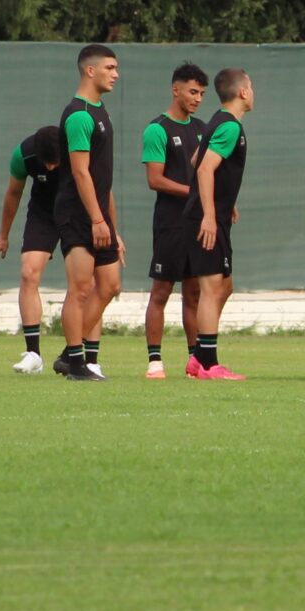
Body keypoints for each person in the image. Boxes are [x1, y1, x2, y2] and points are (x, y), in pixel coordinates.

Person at [52, 44, 124, 380]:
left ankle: (70, 350)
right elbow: (80, 173)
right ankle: (77, 363)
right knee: (80, 288)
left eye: (116, 68)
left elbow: (101, 177)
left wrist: (111, 225)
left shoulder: (101, 111)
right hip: (77, 213)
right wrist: (95, 218)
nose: (115, 74)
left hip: (98, 214)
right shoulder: (79, 114)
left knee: (109, 285)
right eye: (109, 67)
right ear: (89, 71)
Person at [138, 63, 208, 379]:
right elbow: (155, 179)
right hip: (170, 223)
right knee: (162, 291)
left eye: (202, 94)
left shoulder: (202, 129)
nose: (197, 99)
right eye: (193, 91)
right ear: (175, 89)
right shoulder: (158, 130)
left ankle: (195, 362)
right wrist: (195, 193)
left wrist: (217, 204)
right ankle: (155, 360)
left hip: (197, 223)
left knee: (194, 292)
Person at [187, 67, 254, 380]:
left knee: (223, 285)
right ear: (242, 92)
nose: (253, 92)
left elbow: (196, 159)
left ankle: (199, 357)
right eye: (251, 86)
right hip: (206, 220)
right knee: (212, 288)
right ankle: (209, 365)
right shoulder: (229, 127)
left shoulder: (218, 120)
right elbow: (203, 170)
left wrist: (227, 200)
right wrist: (210, 215)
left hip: (215, 215)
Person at [0, 122, 67, 374]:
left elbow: (101, 189)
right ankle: (34, 354)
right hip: (44, 213)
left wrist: (107, 227)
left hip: (76, 210)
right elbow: (13, 193)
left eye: (55, 163)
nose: (50, 168)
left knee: (84, 283)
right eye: (46, 163)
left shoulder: (76, 149)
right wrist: (3, 236)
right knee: (28, 273)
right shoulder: (22, 154)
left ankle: (77, 353)